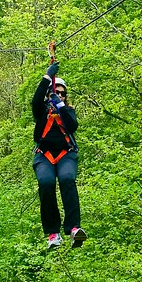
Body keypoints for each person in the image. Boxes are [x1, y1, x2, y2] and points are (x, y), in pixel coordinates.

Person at [31, 60, 87, 249]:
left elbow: (72, 127)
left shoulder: (68, 111)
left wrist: (60, 106)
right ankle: (53, 233)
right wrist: (47, 77)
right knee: (46, 183)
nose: (60, 95)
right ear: (49, 95)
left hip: (66, 154)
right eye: (57, 93)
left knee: (67, 179)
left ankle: (73, 228)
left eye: (63, 93)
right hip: (44, 155)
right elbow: (35, 100)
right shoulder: (41, 111)